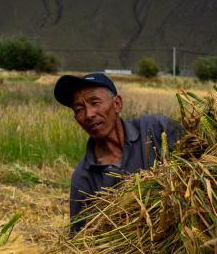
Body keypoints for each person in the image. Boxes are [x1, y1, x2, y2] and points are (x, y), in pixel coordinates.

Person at [53, 72, 182, 234]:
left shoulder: (157, 130)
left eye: (95, 102)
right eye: (79, 109)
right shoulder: (84, 179)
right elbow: (80, 241)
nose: (89, 114)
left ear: (117, 104)